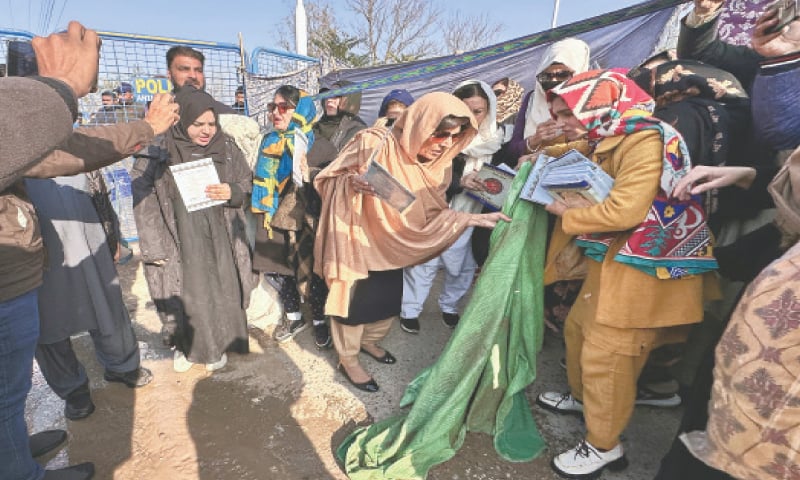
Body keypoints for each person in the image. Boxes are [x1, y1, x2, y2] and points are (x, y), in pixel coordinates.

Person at [1, 21, 179, 480]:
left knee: (106, 308)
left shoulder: (63, 134)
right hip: (35, 262)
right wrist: (142, 125)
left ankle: (119, 369)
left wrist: (114, 234)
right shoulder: (26, 144)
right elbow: (67, 154)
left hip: (81, 245)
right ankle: (71, 395)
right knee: (46, 333)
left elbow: (95, 179)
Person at [533, 70, 718, 479]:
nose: (565, 122)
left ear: (599, 106)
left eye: (570, 112)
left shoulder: (645, 140)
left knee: (608, 358)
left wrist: (566, 212)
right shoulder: (610, 134)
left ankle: (604, 446)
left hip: (644, 272)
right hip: (615, 261)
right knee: (578, 332)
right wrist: (541, 143)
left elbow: (624, 212)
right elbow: (567, 148)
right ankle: (584, 401)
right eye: (561, 113)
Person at [313, 92, 509, 393]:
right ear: (419, 124)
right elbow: (326, 180)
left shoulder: (441, 166)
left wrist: (465, 219)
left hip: (395, 247)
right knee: (353, 306)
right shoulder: (372, 142)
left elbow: (429, 214)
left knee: (385, 304)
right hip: (358, 241)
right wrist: (350, 185)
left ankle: (369, 343)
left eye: (454, 136)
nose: (445, 143)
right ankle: (348, 359)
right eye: (439, 134)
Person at [132, 86, 257, 373]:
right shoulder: (158, 152)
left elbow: (247, 184)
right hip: (179, 234)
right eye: (198, 124)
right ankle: (185, 345)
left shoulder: (227, 147)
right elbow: (143, 202)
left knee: (222, 288)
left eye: (212, 123)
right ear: (181, 120)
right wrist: (154, 247)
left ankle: (221, 344)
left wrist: (233, 191)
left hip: (220, 232)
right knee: (187, 293)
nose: (206, 131)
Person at [400, 80, 503, 333]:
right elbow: (425, 173)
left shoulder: (500, 140)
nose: (471, 117)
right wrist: (459, 182)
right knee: (425, 261)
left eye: (478, 111)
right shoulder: (444, 136)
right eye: (464, 109)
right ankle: (410, 310)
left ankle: (449, 306)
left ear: (489, 110)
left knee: (464, 265)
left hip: (476, 215)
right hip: (438, 211)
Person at [506, 38, 591, 335]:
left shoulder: (592, 98)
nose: (553, 82)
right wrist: (535, 141)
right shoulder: (531, 100)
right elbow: (513, 149)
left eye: (562, 75)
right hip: (531, 194)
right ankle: (522, 319)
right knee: (525, 257)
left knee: (562, 263)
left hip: (573, 198)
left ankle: (549, 325)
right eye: (547, 75)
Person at [251, 85, 335, 348]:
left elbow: (335, 185)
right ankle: (294, 316)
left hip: (310, 219)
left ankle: (320, 320)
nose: (276, 113)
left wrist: (309, 173)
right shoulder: (268, 141)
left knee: (313, 270)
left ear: (300, 111)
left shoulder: (320, 146)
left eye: (283, 107)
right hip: (272, 216)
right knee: (281, 269)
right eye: (272, 107)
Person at [313, 82, 367, 151]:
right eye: (327, 96)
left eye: (336, 96)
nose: (329, 100)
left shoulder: (358, 130)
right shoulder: (317, 126)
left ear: (349, 100)